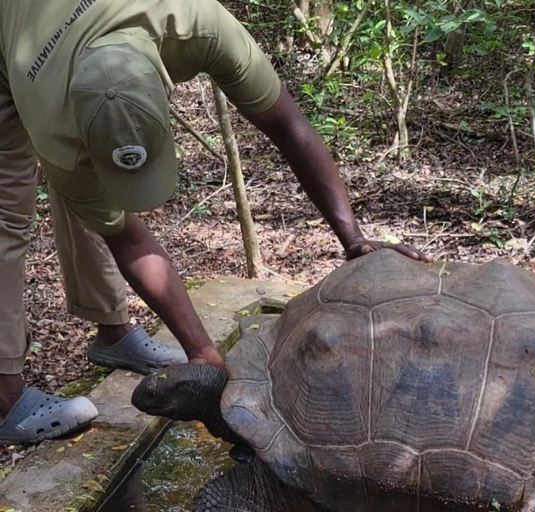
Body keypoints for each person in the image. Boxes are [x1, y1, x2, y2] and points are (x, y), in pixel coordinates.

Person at [0, 0, 430, 445]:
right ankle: (5, 401)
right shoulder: (54, 129)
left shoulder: (198, 21)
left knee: (95, 204)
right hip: (11, 45)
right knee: (6, 217)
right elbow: (126, 238)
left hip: (56, 38)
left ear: (165, 88)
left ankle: (112, 333)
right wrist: (201, 352)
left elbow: (287, 123)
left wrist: (354, 238)